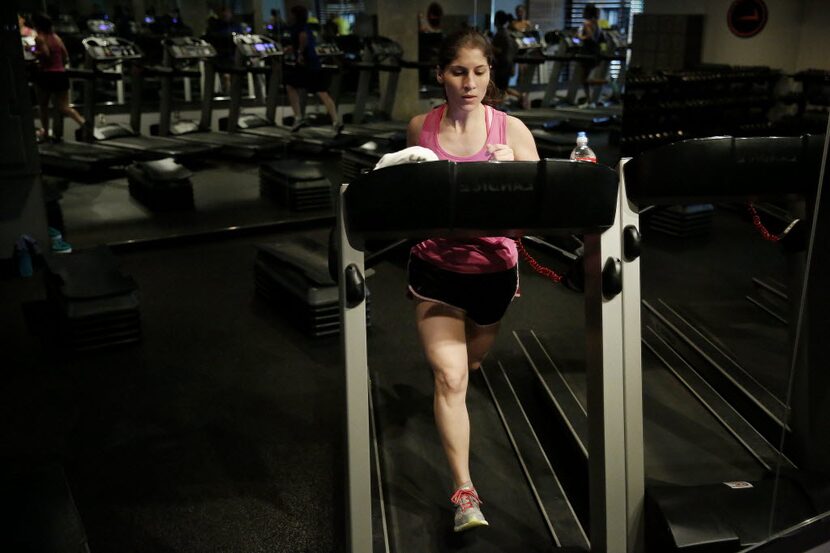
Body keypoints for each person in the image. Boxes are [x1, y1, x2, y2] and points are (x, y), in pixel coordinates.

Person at [404, 27, 539, 532]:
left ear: (490, 75)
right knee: (451, 376)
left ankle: (457, 383)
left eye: (479, 72)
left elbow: (536, 216)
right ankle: (465, 495)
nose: (469, 82)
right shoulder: (421, 127)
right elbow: (407, 192)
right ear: (440, 74)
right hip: (435, 267)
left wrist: (513, 183)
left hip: (493, 273)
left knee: (473, 363)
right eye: (458, 71)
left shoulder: (513, 132)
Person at [30, 12, 87, 143]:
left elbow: (45, 53)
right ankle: (83, 122)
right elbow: (65, 56)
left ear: (37, 25)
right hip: (61, 74)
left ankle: (45, 133)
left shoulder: (40, 38)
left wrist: (32, 51)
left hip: (47, 75)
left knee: (43, 106)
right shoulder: (56, 37)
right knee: (64, 106)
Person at [284, 5, 342, 132]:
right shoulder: (307, 26)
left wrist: (299, 52)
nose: (289, 16)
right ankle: (336, 121)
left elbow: (303, 37)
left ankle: (298, 117)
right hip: (314, 62)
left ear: (295, 15)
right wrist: (292, 49)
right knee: (322, 92)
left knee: (290, 85)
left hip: (305, 63)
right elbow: (305, 40)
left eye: (291, 14)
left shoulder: (299, 27)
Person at [491, 10, 521, 105]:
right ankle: (520, 97)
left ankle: (501, 108)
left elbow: (499, 50)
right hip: (508, 64)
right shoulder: (508, 33)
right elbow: (515, 47)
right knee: (503, 88)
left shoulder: (500, 34)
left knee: (500, 89)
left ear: (497, 21)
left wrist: (489, 46)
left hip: (502, 65)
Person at [577, 3, 603, 106]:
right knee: (585, 77)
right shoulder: (596, 23)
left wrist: (579, 37)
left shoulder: (587, 23)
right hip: (595, 51)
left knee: (584, 78)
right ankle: (590, 99)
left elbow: (589, 36)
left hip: (588, 52)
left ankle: (590, 100)